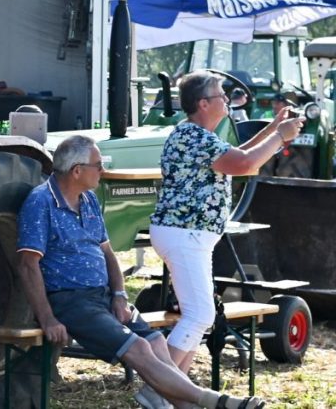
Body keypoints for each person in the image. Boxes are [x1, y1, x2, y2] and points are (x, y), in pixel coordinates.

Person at [18, 135, 267, 409]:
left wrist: (120, 294)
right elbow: (28, 265)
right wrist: (48, 318)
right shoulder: (40, 202)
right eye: (98, 165)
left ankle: (187, 406)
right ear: (77, 170)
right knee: (139, 348)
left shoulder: (87, 199)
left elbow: (108, 254)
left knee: (157, 343)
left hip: (102, 297)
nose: (103, 170)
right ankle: (214, 401)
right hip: (71, 300)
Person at [150, 70, 303, 377]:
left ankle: (173, 391)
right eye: (222, 95)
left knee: (199, 316)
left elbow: (241, 155)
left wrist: (274, 128)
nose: (228, 101)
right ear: (204, 103)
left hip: (189, 236)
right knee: (199, 315)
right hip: (185, 235)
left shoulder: (195, 135)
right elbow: (245, 164)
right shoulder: (194, 137)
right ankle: (157, 387)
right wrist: (279, 136)